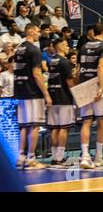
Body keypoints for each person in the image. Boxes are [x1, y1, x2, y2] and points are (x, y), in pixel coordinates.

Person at [14, 24, 53, 170]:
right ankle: (31, 159)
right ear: (30, 31)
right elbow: (37, 74)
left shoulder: (19, 48)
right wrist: (46, 94)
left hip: (20, 90)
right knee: (34, 126)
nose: (39, 33)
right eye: (37, 31)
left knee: (24, 126)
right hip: (32, 91)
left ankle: (21, 157)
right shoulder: (34, 50)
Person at [77, 23, 103, 169]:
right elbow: (101, 66)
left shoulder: (83, 47)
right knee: (101, 121)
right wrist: (101, 85)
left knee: (86, 122)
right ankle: (98, 157)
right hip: (96, 84)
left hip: (84, 84)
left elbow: (78, 70)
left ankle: (85, 156)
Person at [47, 38, 76, 165]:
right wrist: (76, 93)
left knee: (55, 128)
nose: (67, 46)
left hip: (53, 97)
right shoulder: (64, 62)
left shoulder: (52, 61)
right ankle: (60, 157)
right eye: (64, 44)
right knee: (63, 128)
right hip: (64, 98)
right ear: (59, 47)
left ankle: (54, 157)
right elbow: (69, 81)